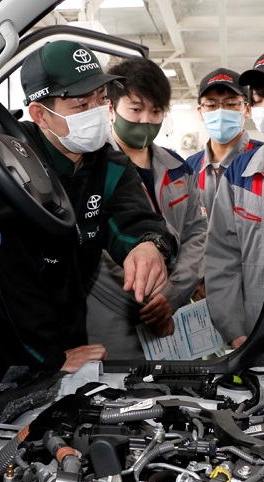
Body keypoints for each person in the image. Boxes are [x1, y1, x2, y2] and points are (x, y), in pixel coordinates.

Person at [0, 41, 177, 384]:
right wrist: (49, 358)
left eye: (101, 99)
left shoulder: (108, 164)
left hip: (69, 333)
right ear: (40, 114)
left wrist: (149, 245)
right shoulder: (7, 166)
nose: (97, 112)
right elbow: (6, 277)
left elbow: (131, 217)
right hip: (7, 350)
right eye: (81, 104)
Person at [85, 57, 207, 359]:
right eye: (136, 109)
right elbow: (99, 243)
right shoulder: (93, 169)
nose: (146, 121)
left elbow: (197, 232)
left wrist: (172, 293)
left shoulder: (178, 168)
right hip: (112, 312)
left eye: (156, 112)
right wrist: (151, 292)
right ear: (112, 108)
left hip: (171, 309)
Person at [203, 48, 264, 350]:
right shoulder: (239, 176)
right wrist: (234, 331)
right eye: (259, 100)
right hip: (251, 333)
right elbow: (222, 258)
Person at [186, 68, 263, 219]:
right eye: (211, 105)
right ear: (200, 112)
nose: (220, 111)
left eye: (231, 103)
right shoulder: (190, 167)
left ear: (247, 110)